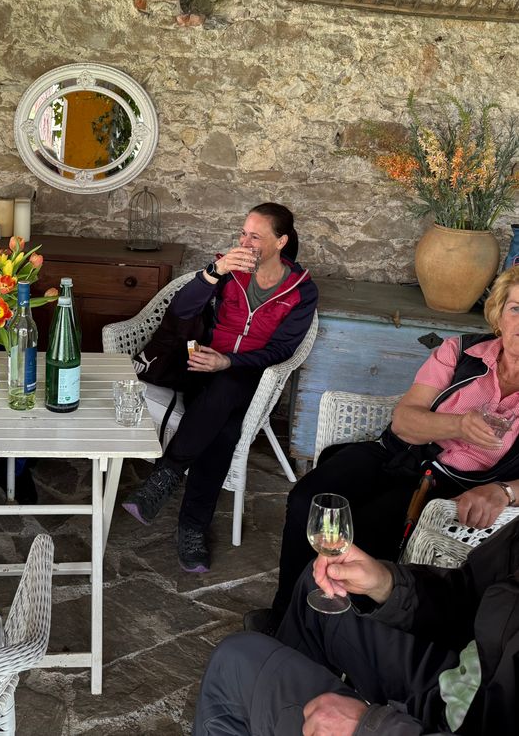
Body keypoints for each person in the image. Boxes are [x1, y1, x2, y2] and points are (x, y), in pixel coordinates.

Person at [248, 266, 519, 636]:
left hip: (447, 487)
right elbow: (405, 420)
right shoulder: (461, 352)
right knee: (309, 502)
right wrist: (458, 425)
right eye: (516, 308)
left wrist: (504, 491)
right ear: (500, 314)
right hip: (395, 452)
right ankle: (285, 614)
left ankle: (324, 633)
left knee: (364, 532)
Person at [121, 203, 318, 573]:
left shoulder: (300, 291)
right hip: (200, 367)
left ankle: (165, 477)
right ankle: (191, 526)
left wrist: (229, 362)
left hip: (248, 376)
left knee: (227, 391)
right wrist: (215, 272)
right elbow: (180, 311)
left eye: (255, 236)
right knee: (224, 430)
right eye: (243, 233)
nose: (245, 242)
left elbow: (282, 350)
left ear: (281, 241)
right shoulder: (228, 270)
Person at [192, 516, 519, 735]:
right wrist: (386, 585)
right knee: (320, 584)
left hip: (451, 723)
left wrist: (373, 726)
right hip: (459, 675)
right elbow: (467, 591)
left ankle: (272, 693)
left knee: (235, 661)